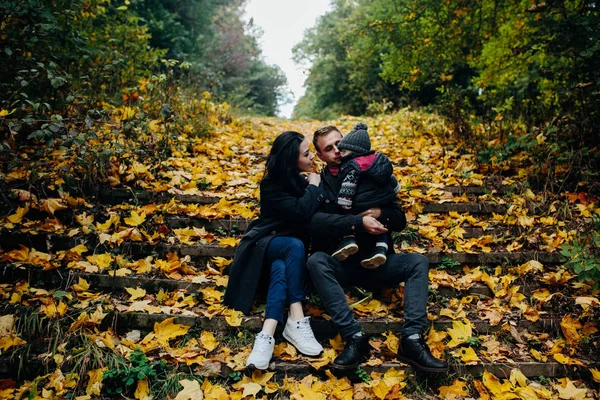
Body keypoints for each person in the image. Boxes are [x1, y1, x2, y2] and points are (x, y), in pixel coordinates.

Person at [307, 125, 448, 373]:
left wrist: (381, 213)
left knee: (418, 262)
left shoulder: (372, 170)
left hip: (379, 263)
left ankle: (412, 340)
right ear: (320, 156)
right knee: (316, 260)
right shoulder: (321, 183)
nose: (337, 150)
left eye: (339, 142)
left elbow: (400, 219)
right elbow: (316, 223)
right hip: (343, 264)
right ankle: (354, 338)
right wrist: (356, 221)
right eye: (328, 148)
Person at [223, 131, 324, 370]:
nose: (312, 158)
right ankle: (296, 319)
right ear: (291, 158)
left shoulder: (300, 181)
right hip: (264, 246)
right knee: (293, 245)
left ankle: (266, 336)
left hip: (286, 261)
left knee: (281, 267)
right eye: (307, 154)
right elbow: (301, 211)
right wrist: (313, 187)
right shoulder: (271, 184)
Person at [331, 122, 401, 269]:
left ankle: (348, 240)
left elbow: (348, 186)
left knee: (346, 212)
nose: (338, 152)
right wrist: (392, 192)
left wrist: (345, 202)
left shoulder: (351, 166)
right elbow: (392, 181)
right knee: (381, 225)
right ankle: (381, 248)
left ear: (352, 151)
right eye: (329, 148)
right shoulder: (378, 163)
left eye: (341, 148)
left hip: (360, 203)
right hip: (379, 199)